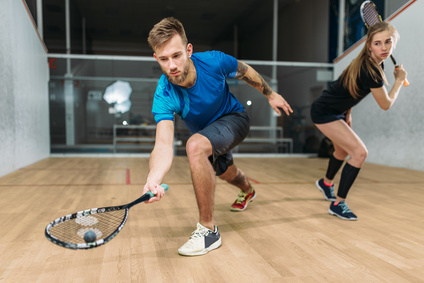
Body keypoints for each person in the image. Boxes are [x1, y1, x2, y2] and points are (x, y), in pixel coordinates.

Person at [142, 17, 292, 256]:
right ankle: (248, 190)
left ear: (189, 50)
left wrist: (270, 94)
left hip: (234, 119)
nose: (171, 65)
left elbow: (245, 71)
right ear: (156, 59)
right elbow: (162, 144)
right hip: (210, 135)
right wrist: (154, 177)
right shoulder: (165, 93)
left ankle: (208, 231)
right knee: (225, 172)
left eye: (176, 55)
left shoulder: (213, 61)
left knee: (194, 146)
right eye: (163, 59)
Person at [311, 21, 407, 221]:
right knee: (359, 153)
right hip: (324, 112)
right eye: (378, 43)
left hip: (338, 111)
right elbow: (386, 104)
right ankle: (338, 204)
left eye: (388, 42)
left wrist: (348, 112)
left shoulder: (370, 61)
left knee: (342, 151)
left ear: (394, 42)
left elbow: (349, 90)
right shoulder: (371, 70)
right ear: (369, 46)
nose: (383, 48)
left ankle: (326, 183)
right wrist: (398, 81)